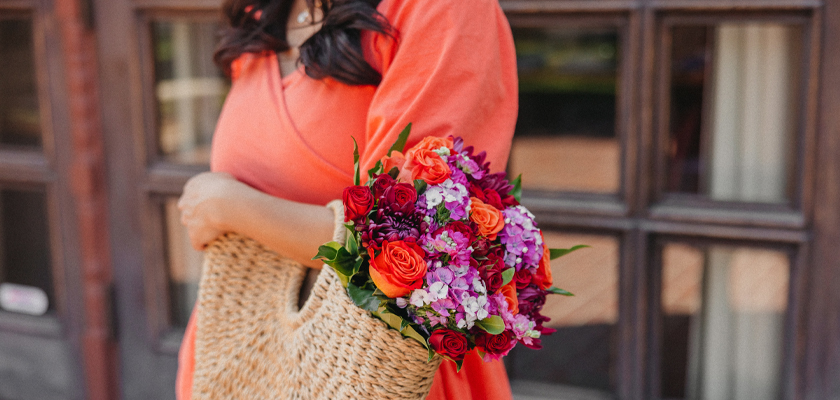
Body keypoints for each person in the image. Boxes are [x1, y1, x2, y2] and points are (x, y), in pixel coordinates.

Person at [175, 0, 519, 398]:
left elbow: (421, 244)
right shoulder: (264, 14)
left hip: (366, 366)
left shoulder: (440, 9)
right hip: (240, 356)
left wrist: (229, 207)